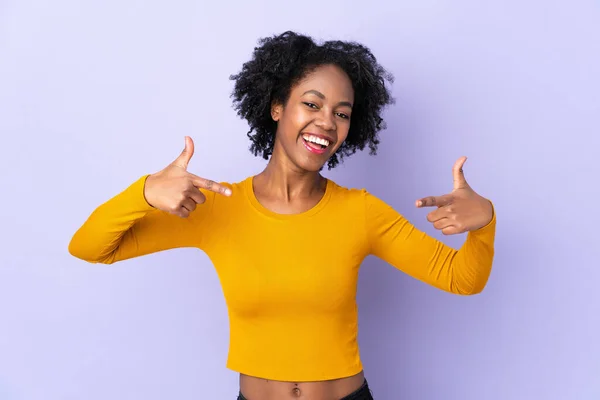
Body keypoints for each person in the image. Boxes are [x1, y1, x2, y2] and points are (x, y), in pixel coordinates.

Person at [68, 31, 496, 400]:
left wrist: (484, 221)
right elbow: (89, 247)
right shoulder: (215, 206)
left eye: (341, 113)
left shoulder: (360, 211)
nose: (327, 122)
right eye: (312, 104)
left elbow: (462, 278)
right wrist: (142, 191)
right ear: (277, 107)